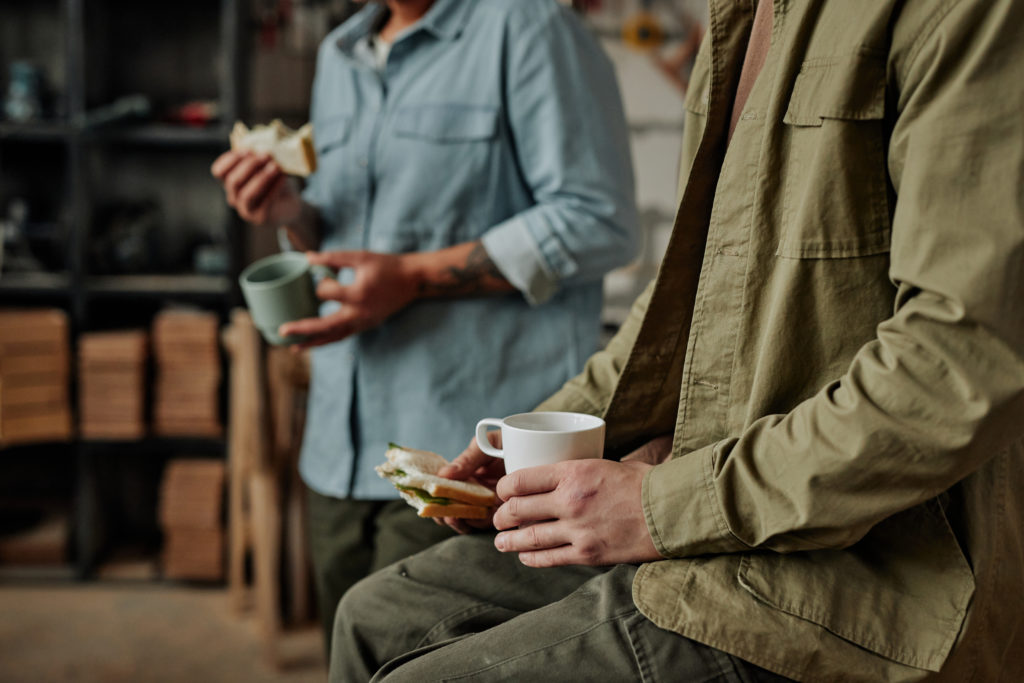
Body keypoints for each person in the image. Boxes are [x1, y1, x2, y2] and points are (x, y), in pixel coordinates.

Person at [331, 0, 1024, 680]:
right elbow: (689, 293)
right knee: (370, 615)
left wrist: (657, 505)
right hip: (698, 507)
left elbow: (961, 360)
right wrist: (544, 432)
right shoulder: (736, 22)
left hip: (857, 570)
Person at [211, 0, 637, 650]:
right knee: (350, 653)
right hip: (338, 450)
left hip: (464, 463)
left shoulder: (528, 28)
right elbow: (346, 230)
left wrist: (412, 275)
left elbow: (599, 220)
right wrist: (289, 209)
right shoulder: (339, 55)